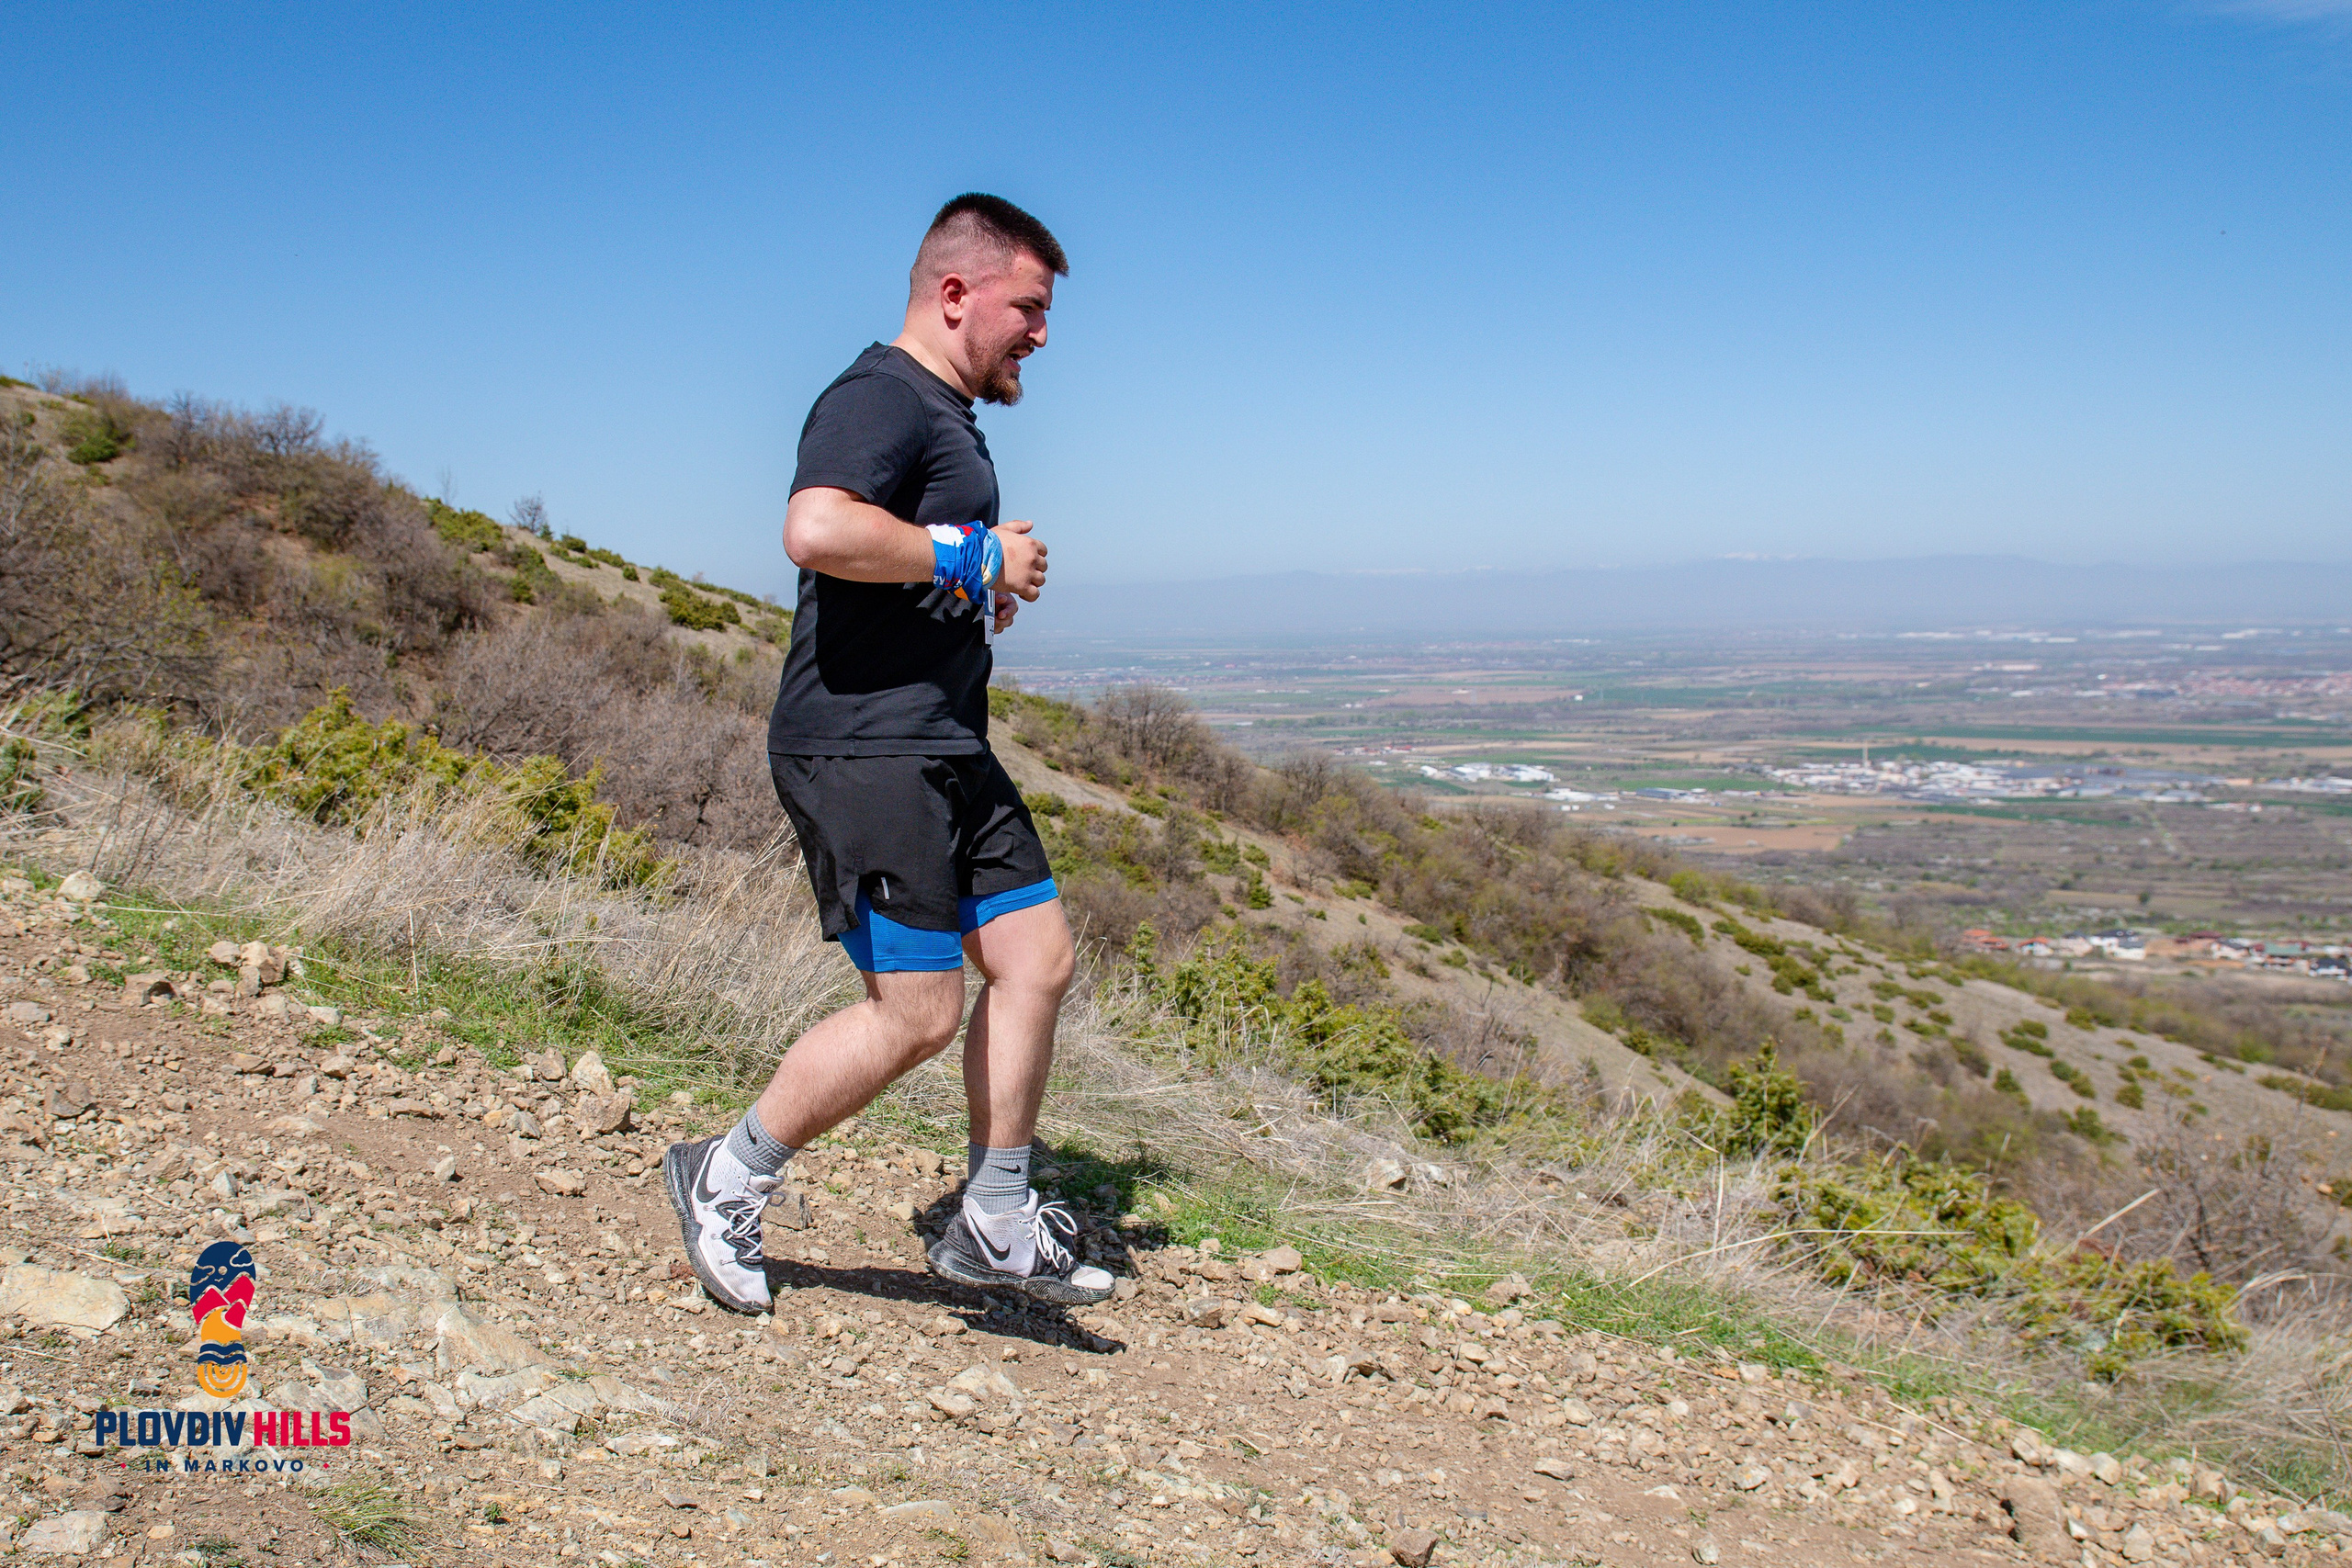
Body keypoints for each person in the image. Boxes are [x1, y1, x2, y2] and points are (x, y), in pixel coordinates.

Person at [663, 194, 1113, 1314]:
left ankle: (994, 1220)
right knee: (916, 1012)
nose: (1042, 335)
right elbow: (816, 529)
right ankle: (726, 1174)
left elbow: (901, 559)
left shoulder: (951, 416)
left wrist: (969, 587)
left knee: (1037, 958)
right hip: (864, 748)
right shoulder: (881, 395)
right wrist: (968, 557)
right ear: (954, 294)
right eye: (1029, 308)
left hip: (943, 743)